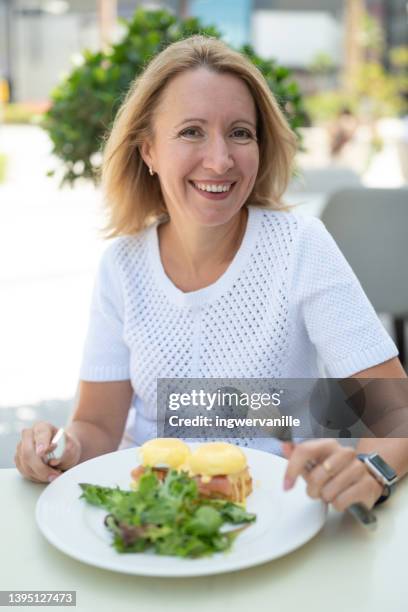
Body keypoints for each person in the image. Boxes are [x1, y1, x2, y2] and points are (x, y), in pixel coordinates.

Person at [15, 36, 408, 513]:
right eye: (191, 132)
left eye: (240, 132)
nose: (220, 159)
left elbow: (396, 416)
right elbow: (96, 427)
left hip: (278, 520)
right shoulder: (122, 267)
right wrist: (60, 450)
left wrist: (372, 471)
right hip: (154, 524)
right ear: (148, 151)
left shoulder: (301, 247)